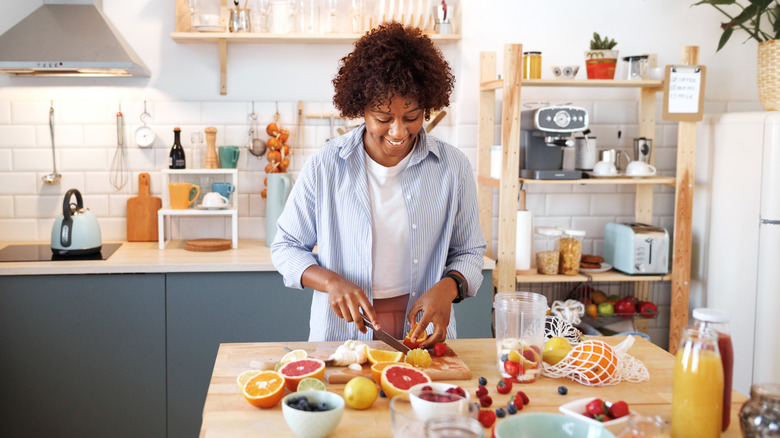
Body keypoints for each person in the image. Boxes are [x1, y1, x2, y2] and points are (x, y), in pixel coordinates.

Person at [270, 22, 485, 349]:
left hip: (423, 331)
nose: (398, 131)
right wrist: (331, 283)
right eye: (383, 118)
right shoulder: (326, 166)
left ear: (427, 106)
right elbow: (285, 247)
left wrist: (448, 288)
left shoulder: (453, 168)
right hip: (342, 333)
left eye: (411, 116)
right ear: (361, 109)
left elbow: (469, 251)